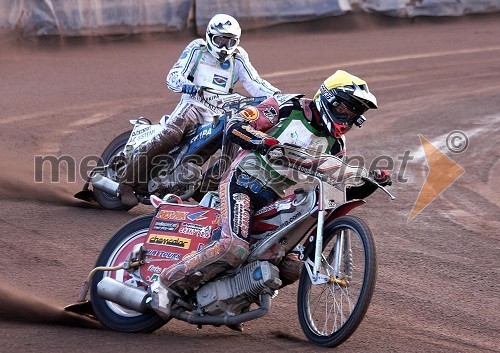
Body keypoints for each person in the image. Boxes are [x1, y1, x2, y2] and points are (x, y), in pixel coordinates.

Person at [159, 70, 392, 297]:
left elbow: (336, 187)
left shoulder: (336, 144)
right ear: (328, 99)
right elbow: (236, 124)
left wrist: (367, 184)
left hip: (271, 198)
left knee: (292, 266)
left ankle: (235, 299)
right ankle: (164, 283)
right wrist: (262, 142)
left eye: (353, 115)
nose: (348, 118)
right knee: (234, 247)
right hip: (241, 182)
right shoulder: (288, 106)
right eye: (344, 109)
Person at [118, 14, 280, 206]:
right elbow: (174, 74)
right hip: (193, 104)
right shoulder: (198, 48)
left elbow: (255, 83)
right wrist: (186, 85)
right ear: (210, 36)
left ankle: (202, 188)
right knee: (171, 135)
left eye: (230, 42)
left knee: (234, 142)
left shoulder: (239, 57)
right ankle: (126, 183)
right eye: (220, 40)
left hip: (219, 113)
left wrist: (279, 97)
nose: (224, 47)